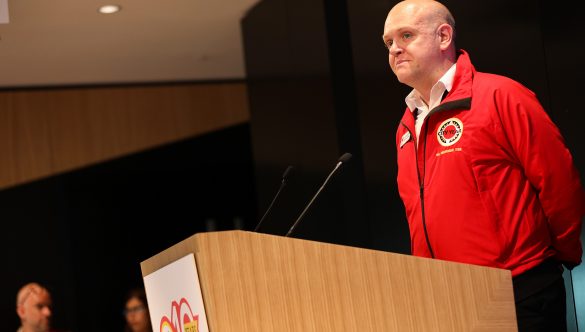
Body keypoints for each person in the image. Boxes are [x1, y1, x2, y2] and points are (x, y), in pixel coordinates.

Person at [382, 1, 584, 331]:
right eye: (388, 42)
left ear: (444, 36)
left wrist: (549, 259)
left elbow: (559, 182)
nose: (395, 50)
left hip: (518, 291)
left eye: (406, 36)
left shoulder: (501, 95)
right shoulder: (407, 126)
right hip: (445, 299)